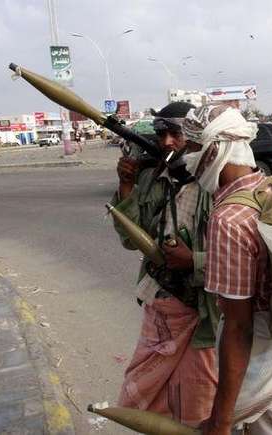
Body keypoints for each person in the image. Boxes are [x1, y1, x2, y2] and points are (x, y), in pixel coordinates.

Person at [182, 104, 272, 435]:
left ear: (213, 150)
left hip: (265, 368)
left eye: (191, 149)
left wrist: (221, 418)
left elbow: (238, 328)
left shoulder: (229, 219)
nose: (187, 161)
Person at [109, 101, 219, 428]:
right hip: (161, 303)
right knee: (141, 395)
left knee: (198, 402)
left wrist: (193, 261)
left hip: (203, 314)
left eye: (176, 133)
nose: (167, 142)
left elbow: (241, 261)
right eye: (162, 134)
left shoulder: (216, 184)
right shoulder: (155, 178)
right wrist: (127, 187)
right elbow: (131, 239)